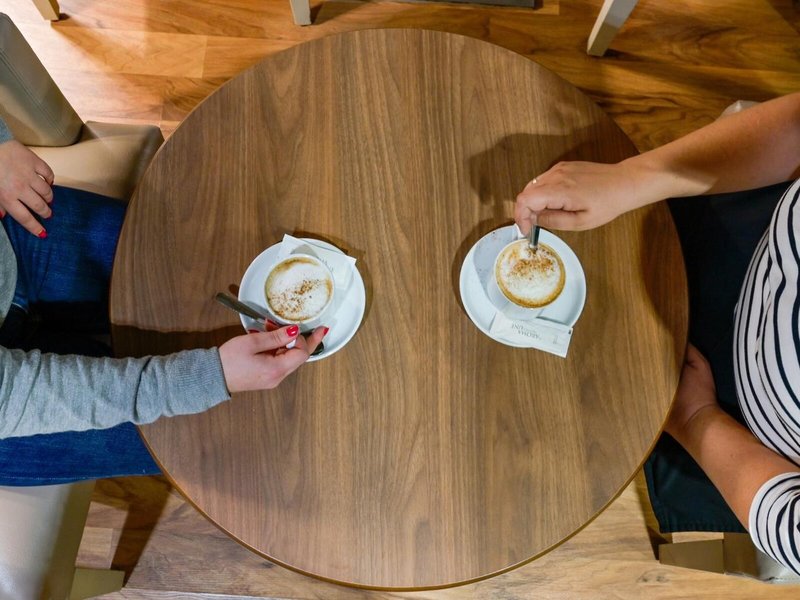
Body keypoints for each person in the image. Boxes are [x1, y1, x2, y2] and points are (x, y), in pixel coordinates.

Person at [515, 92, 800, 573]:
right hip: (757, 233)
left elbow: (788, 520)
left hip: (730, 424)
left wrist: (695, 416)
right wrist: (631, 179)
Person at [0, 115, 327, 484]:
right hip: (7, 415)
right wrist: (208, 378)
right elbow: (18, 394)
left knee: (206, 268)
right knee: (218, 432)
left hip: (12, 237)